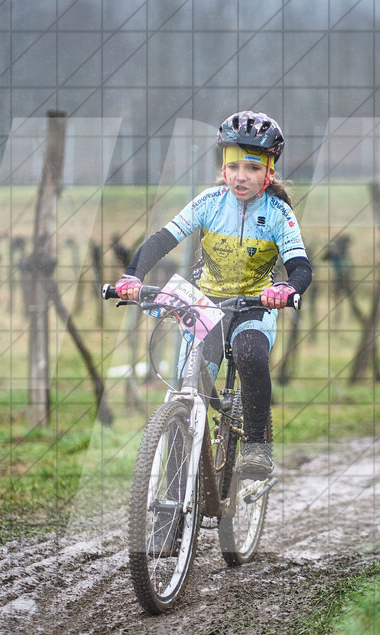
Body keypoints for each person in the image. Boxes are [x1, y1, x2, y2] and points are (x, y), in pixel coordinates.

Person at [114, 110, 312, 479]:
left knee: (250, 353)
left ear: (269, 171)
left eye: (253, 168)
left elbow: (300, 267)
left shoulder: (278, 213)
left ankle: (256, 444)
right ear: (223, 166)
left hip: (254, 306)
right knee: (185, 393)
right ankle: (169, 503)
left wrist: (286, 288)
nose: (241, 176)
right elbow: (162, 240)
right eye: (234, 165)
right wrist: (131, 275)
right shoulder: (209, 203)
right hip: (206, 307)